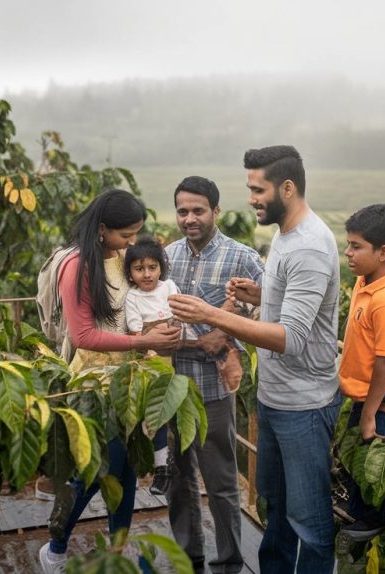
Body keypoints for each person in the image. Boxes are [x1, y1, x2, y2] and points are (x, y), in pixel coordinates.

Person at [168, 147, 341, 573]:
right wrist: (262, 296)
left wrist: (213, 315)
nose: (251, 198)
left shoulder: (310, 247)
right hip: (275, 398)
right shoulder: (284, 235)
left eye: (257, 189)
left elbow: (293, 338)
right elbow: (290, 309)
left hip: (304, 405)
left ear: (287, 188)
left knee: (309, 523)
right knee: (275, 512)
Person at [39, 188, 181, 574]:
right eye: (125, 234)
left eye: (136, 233)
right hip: (96, 386)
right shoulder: (78, 266)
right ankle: (55, 547)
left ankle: (116, 553)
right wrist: (144, 340)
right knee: (99, 472)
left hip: (129, 380)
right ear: (102, 230)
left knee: (126, 472)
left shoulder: (120, 258)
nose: (131, 242)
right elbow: (83, 335)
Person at [164, 175, 263, 574]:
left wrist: (224, 333)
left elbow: (267, 305)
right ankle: (189, 558)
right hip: (169, 386)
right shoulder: (166, 255)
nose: (190, 218)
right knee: (175, 477)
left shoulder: (240, 257)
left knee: (221, 480)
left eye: (198, 210)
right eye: (183, 211)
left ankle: (230, 562)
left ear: (216, 212)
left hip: (213, 387)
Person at [336, 204, 385, 542]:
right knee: (360, 465)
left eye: (356, 246)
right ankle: (360, 514)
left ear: (383, 252)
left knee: (381, 469)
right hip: (368, 395)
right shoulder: (363, 281)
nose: (348, 252)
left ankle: (382, 519)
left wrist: (370, 413)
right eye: (348, 243)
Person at [121, 236, 181, 496]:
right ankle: (146, 469)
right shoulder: (132, 297)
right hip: (147, 360)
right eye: (139, 268)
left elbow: (180, 318)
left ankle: (163, 469)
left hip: (173, 359)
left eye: (152, 267)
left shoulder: (168, 287)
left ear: (161, 268)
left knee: (164, 415)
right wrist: (153, 339)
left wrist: (166, 331)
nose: (147, 274)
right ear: (130, 273)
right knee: (149, 418)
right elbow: (136, 334)